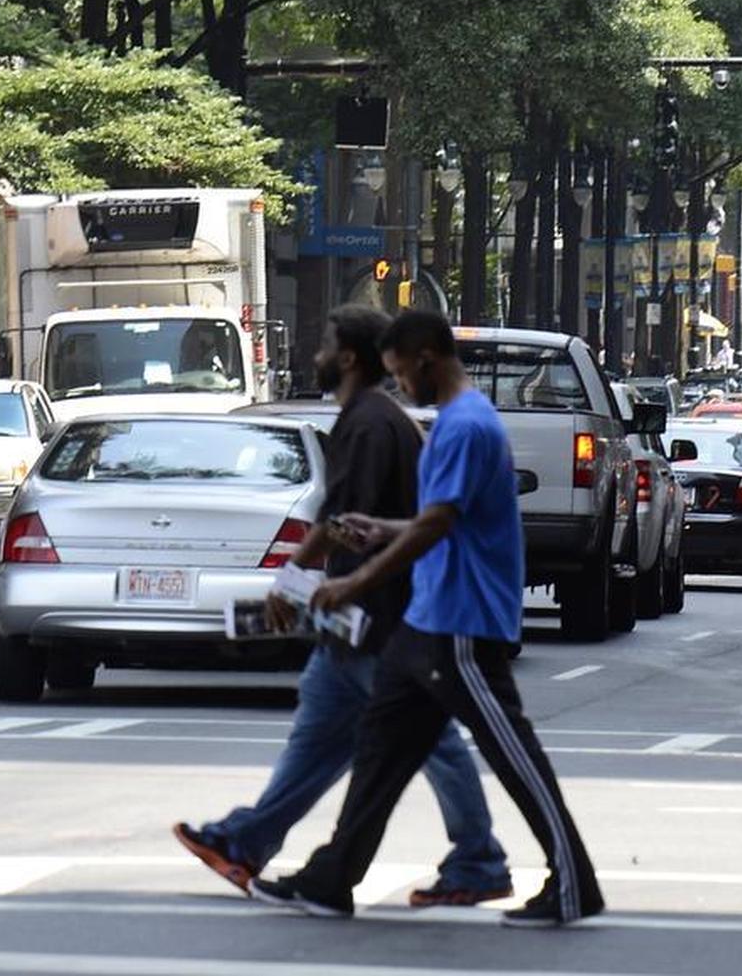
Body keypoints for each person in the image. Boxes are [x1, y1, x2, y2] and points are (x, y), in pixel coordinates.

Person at [250, 309, 604, 929]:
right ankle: (332, 878)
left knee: (512, 753)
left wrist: (354, 581)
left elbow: (439, 524)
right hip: (426, 619)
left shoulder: (466, 426)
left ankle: (574, 883)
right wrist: (380, 529)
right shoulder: (453, 422)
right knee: (380, 752)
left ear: (424, 359)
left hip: (463, 622)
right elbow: (437, 519)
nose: (399, 385)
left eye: (400, 373)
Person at [173, 304, 510, 908]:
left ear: (349, 357)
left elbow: (342, 524)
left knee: (429, 740)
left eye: (325, 345)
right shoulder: (370, 419)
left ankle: (478, 858)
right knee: (319, 740)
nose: (317, 356)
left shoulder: (370, 424)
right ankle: (247, 840)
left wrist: (290, 582)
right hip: (352, 623)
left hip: (380, 619)